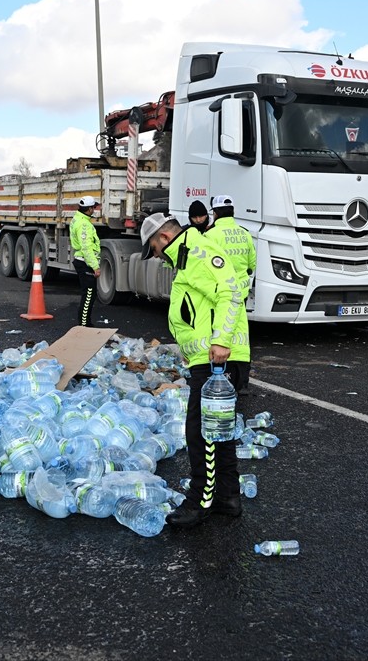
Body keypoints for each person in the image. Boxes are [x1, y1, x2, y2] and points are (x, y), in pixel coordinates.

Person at [139, 212, 246, 527]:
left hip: (217, 359)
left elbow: (230, 292)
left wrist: (222, 341)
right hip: (210, 358)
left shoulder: (197, 253)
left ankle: (201, 501)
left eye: (155, 251)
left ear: (163, 238)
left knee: (201, 433)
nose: (157, 258)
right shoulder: (187, 256)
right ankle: (227, 497)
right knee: (218, 432)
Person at [204, 195, 256, 392]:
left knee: (221, 334)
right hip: (240, 293)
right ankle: (242, 379)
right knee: (241, 336)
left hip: (220, 294)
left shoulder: (211, 236)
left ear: (215, 213)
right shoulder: (245, 234)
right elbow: (252, 264)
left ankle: (220, 374)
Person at [70, 196, 102, 327]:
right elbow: (86, 247)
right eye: (93, 207)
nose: (94, 210)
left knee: (88, 294)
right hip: (85, 263)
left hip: (82, 261)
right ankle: (84, 325)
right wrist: (95, 266)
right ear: (89, 209)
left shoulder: (77, 219)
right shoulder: (84, 224)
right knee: (89, 295)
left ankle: (85, 323)